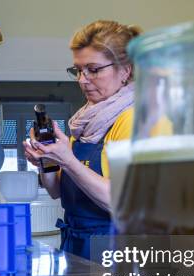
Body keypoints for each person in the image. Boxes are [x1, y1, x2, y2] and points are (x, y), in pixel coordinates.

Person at [23, 20, 141, 259]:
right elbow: (56, 191)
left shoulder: (135, 119)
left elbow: (123, 203)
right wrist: (48, 159)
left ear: (125, 70)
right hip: (75, 243)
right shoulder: (87, 121)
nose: (82, 80)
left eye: (94, 69)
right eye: (78, 70)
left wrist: (68, 161)